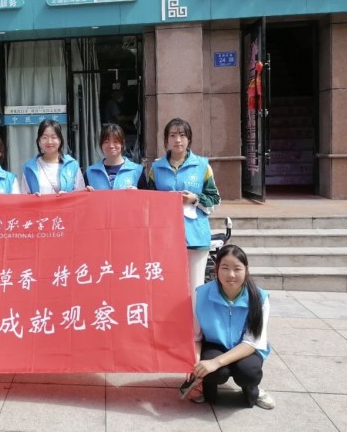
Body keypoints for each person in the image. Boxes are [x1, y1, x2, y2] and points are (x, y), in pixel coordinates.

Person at [188, 244, 275, 410]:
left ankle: (254, 390)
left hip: (246, 348)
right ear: (216, 268)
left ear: (246, 270)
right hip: (214, 345)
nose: (231, 274)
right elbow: (196, 336)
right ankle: (205, 388)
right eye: (225, 268)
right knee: (215, 372)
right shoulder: (201, 294)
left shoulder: (259, 298)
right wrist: (194, 364)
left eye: (237, 269)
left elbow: (252, 342)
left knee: (248, 372)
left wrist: (216, 362)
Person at [148, 118, 220, 300]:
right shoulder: (156, 168)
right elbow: (148, 202)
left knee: (195, 289)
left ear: (189, 139)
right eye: (172, 135)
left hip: (195, 237)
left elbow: (215, 199)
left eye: (182, 135)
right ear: (166, 140)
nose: (177, 140)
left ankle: (195, 320)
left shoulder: (202, 166)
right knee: (167, 288)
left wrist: (195, 198)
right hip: (165, 238)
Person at [21, 119, 85, 195]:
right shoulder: (29, 167)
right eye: (45, 137)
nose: (49, 141)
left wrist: (68, 196)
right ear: (39, 141)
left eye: (54, 137)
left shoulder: (72, 164)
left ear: (60, 140)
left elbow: (80, 194)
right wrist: (33, 197)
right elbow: (24, 196)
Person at [85, 123, 147, 190]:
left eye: (116, 142)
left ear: (122, 144)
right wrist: (86, 192)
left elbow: (147, 195)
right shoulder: (90, 172)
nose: (111, 146)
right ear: (101, 144)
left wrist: (138, 193)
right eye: (106, 142)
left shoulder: (137, 170)